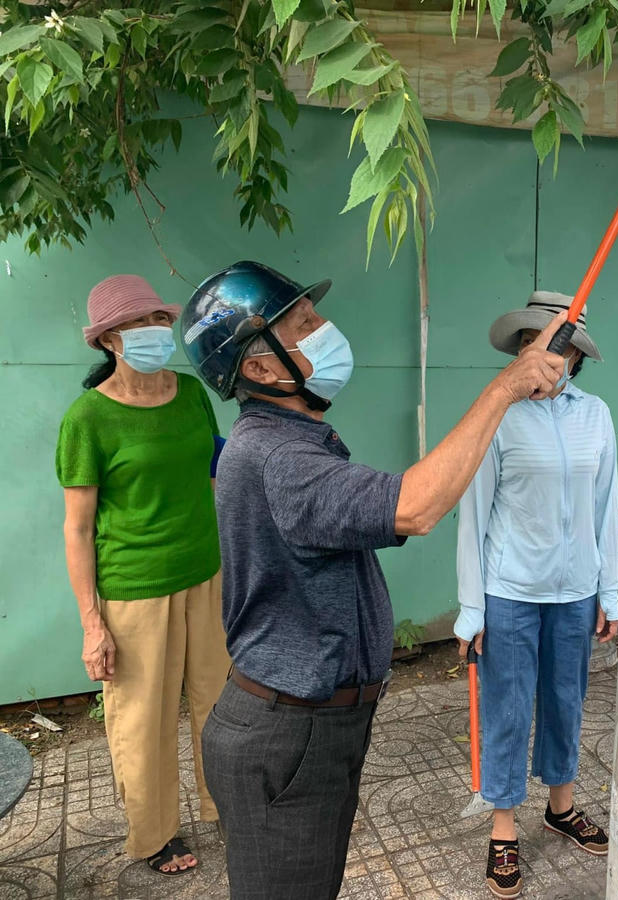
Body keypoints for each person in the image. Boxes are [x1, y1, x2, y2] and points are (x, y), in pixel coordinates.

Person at [180, 261, 566, 900]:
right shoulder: (280, 458)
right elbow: (416, 505)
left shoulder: (289, 437)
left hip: (304, 726)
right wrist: (505, 388)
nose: (326, 328)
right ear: (259, 368)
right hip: (288, 734)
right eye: (305, 323)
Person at [55, 275, 228, 876]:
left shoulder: (189, 393)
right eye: (139, 323)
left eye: (159, 318)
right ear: (108, 340)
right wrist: (91, 624)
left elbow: (213, 475)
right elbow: (77, 529)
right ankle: (155, 836)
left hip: (206, 574)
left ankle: (223, 805)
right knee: (143, 718)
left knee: (221, 702)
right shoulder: (88, 419)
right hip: (134, 589)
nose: (156, 331)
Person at [456, 294, 618, 899]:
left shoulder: (595, 415)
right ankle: (503, 830)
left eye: (562, 342)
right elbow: (473, 515)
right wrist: (472, 607)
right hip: (510, 591)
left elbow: (605, 511)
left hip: (576, 591)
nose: (551, 352)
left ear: (576, 354)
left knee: (565, 698)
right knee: (506, 705)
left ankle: (561, 805)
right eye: (539, 339)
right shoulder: (498, 414)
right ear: (523, 346)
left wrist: (610, 590)